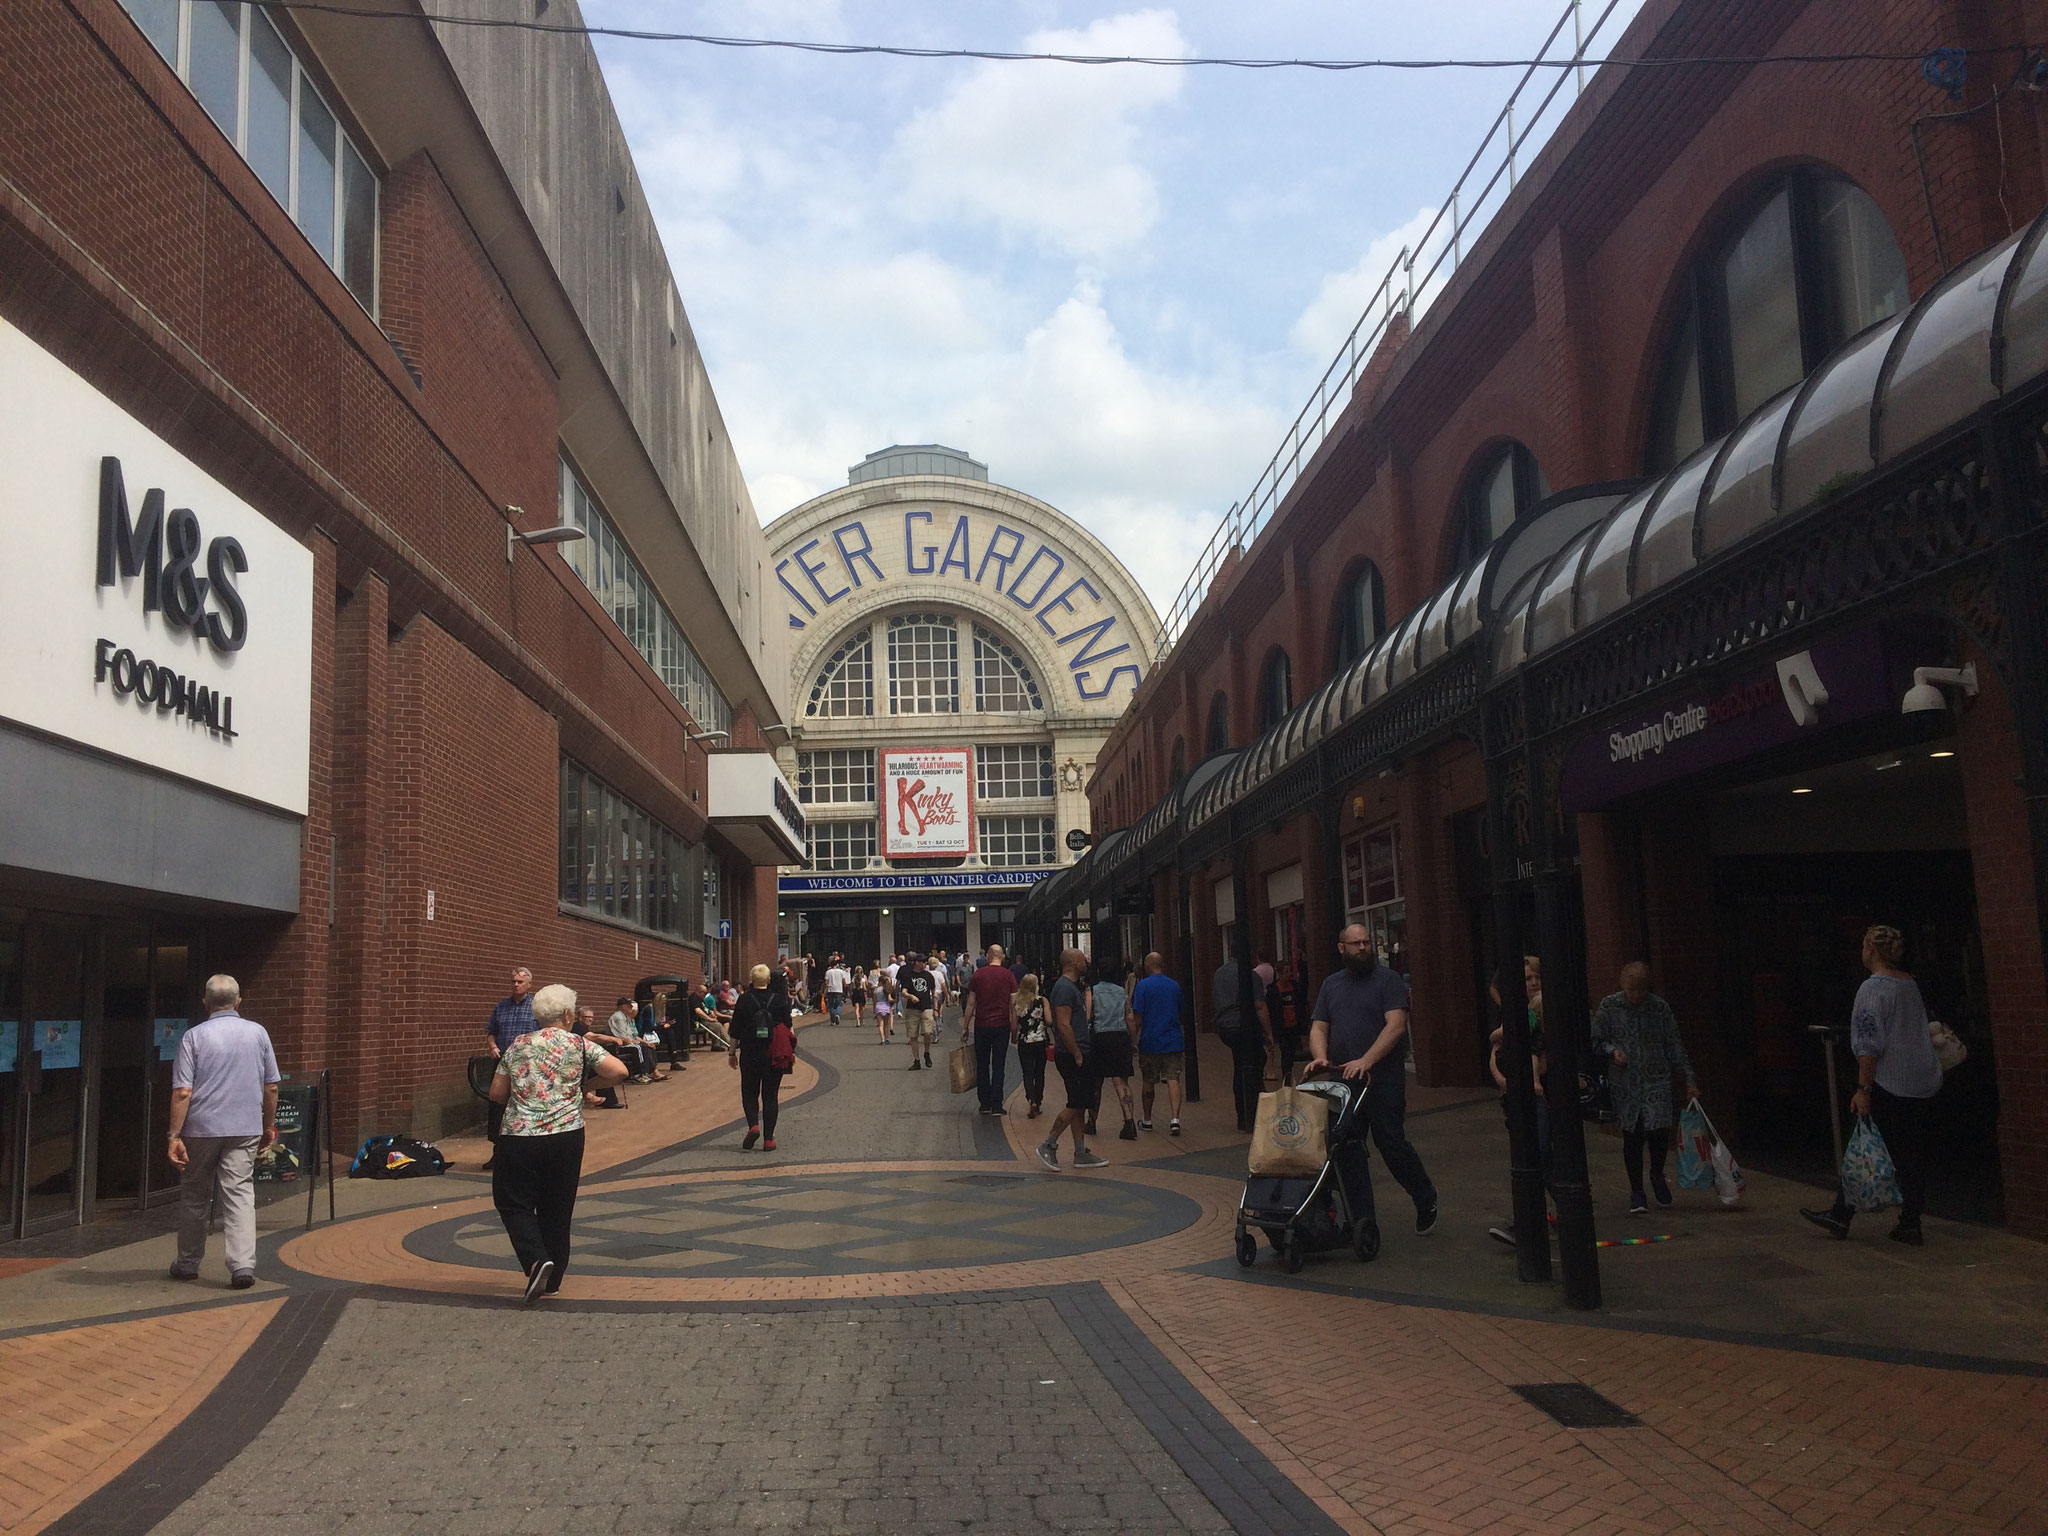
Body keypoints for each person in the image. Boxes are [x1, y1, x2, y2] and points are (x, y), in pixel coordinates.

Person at [1802, 925, 1943, 1246]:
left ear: (1870, 949)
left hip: (1888, 1081)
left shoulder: (1871, 989)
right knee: (1911, 1152)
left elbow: (1868, 1042)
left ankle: (1841, 1214)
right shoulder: (1910, 984)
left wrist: (1863, 1088)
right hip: (1920, 1078)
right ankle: (1910, 1221)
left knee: (1860, 1147)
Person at [489, 982, 627, 1303]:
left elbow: (496, 1093)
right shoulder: (579, 1044)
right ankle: (553, 1277)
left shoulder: (518, 1044)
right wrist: (582, 1085)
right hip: (566, 1135)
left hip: (520, 1136)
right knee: (558, 1204)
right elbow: (618, 1071)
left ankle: (537, 1259)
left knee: (512, 1200)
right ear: (567, 1015)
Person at [1306, 923, 1439, 1236]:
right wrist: (1320, 1056)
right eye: (1356, 944)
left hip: (1382, 1081)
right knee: (1347, 1148)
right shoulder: (1331, 985)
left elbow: (1395, 1026)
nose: (1363, 948)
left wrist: (1367, 1060)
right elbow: (1319, 1026)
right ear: (1342, 948)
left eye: (1366, 942)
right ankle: (1361, 1221)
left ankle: (1425, 1197)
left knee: (1390, 1142)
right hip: (1344, 1083)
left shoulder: (1388, 981)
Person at [165, 975, 279, 1289]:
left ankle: (187, 1263)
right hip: (245, 1126)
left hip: (201, 1128)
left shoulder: (193, 1037)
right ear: (238, 1002)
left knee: (195, 1195)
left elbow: (182, 1092)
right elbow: (271, 1087)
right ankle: (242, 1266)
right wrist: (267, 1126)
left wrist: (174, 1135)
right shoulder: (258, 1034)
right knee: (240, 1194)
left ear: (206, 1003)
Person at [1591, 961, 1697, 1215]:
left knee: (1660, 1131)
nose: (1636, 996)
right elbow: (1596, 1040)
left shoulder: (1659, 1008)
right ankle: (1636, 1190)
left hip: (1655, 1077)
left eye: (1640, 990)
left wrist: (1689, 1078)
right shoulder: (1610, 1006)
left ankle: (1657, 1174)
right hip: (1626, 1081)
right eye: (1631, 990)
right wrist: (1612, 1051)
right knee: (1633, 1135)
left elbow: (1673, 1043)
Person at [1485, 957, 1549, 1248]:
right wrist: (1500, 1076)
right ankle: (1534, 1220)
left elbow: (1541, 1056)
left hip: (1540, 1094)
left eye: (1536, 978)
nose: (1532, 984)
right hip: (1515, 1092)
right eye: (1527, 979)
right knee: (1533, 1157)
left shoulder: (1539, 1011)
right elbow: (1496, 1050)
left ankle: (1527, 1223)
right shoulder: (1514, 1012)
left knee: (1537, 1156)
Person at [1037, 948, 1110, 1170]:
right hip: (1072, 1053)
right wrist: (1077, 1053)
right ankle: (1048, 1143)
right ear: (1075, 963)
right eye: (1082, 959)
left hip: (1076, 1051)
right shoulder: (1064, 988)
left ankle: (1080, 1151)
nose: (1086, 962)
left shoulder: (1069, 987)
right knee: (1077, 1101)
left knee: (1078, 1102)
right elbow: (1063, 1024)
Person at [729, 963, 796, 1151]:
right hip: (773, 1053)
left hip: (750, 1051)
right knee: (771, 1095)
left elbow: (735, 1029)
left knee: (749, 1092)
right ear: (768, 980)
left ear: (751, 980)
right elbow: (788, 1025)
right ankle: (769, 1140)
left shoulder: (744, 1000)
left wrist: (732, 1052)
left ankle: (753, 1125)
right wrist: (792, 1050)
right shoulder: (780, 999)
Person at [480, 965, 536, 1170]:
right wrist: (493, 1046)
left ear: (529, 984)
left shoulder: (535, 1007)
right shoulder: (501, 1006)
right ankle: (498, 1152)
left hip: (525, 1064)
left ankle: (521, 1156)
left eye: (520, 982)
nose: (516, 985)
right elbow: (490, 1031)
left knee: (522, 1105)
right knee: (498, 1106)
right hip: (502, 1061)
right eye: (513, 981)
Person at [1212, 951, 1273, 1134]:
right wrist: (1269, 1033)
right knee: (1253, 1063)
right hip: (1243, 1025)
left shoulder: (1219, 973)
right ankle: (1251, 1112)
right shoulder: (1250, 974)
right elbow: (1259, 1005)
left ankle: (1243, 1115)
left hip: (1225, 1026)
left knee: (1240, 1065)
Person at [1130, 952, 1186, 1136]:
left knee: (1148, 1080)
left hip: (1150, 1040)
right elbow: (1180, 1010)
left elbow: (1137, 1017)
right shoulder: (1174, 985)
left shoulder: (1143, 986)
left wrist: (1134, 1039)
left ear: (1147, 965)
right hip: (1172, 1039)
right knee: (1173, 1078)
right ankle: (1175, 1119)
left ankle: (1147, 1119)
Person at [964, 942, 1020, 1116]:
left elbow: (971, 1002)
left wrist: (965, 1026)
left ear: (987, 957)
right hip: (1002, 1025)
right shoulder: (1009, 976)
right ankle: (997, 1103)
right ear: (1002, 957)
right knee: (998, 1065)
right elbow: (1014, 1004)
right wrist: (1014, 1028)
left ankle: (984, 1103)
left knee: (982, 1065)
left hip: (981, 1025)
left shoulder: (978, 975)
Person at [1086, 962, 1137, 1139]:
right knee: (1121, 1081)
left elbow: (1088, 1016)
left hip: (1100, 1037)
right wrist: (1133, 1041)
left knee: (1096, 1082)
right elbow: (1130, 1018)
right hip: (1120, 1037)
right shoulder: (1122, 992)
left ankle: (1091, 1122)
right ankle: (1129, 1121)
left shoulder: (1092, 991)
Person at [1014, 973, 1051, 1116]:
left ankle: (1031, 1100)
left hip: (1025, 1041)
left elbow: (1013, 1024)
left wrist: (1014, 1037)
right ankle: (1038, 1100)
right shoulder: (1042, 1001)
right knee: (1039, 1072)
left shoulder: (1017, 1002)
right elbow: (1048, 1020)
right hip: (1040, 1040)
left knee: (1027, 1072)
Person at [899, 955, 938, 1070]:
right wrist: (911, 996)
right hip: (912, 1009)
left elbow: (934, 992)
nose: (925, 964)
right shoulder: (908, 976)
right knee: (913, 1036)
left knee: (928, 1032)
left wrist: (936, 1009)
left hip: (927, 1007)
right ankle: (916, 1060)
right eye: (923, 962)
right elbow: (904, 991)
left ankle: (927, 1052)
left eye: (926, 962)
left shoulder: (928, 975)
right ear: (917, 962)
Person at [1269, 962, 1305, 1088]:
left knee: (1293, 1052)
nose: (1289, 974)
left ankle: (1290, 1074)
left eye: (1290, 971)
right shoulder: (1273, 990)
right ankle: (1287, 1078)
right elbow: (1271, 1009)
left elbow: (1300, 1004)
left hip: (1293, 1026)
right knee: (1285, 1053)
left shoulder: (1295, 987)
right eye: (1286, 972)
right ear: (1279, 974)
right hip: (1282, 1027)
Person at [823, 957, 849, 1026]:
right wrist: (845, 987)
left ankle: (832, 1021)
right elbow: (844, 981)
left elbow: (826, 982)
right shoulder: (841, 972)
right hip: (839, 989)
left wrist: (824, 990)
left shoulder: (828, 972)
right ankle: (837, 1014)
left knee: (831, 1005)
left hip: (830, 989)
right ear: (837, 965)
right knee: (838, 1004)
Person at [848, 963, 868, 1029]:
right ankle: (861, 1020)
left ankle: (857, 1020)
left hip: (855, 993)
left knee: (856, 1008)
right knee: (861, 1008)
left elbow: (851, 988)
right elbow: (864, 988)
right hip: (861, 993)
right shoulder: (863, 979)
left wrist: (850, 994)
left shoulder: (853, 979)